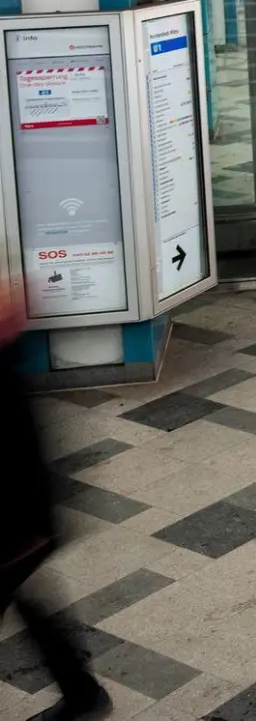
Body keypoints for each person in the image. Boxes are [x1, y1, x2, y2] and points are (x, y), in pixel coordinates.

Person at [0, 285, 113, 721]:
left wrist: (28, 530)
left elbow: (20, 452)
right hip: (23, 524)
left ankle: (83, 694)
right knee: (32, 603)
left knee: (30, 601)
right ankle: (83, 693)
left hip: (16, 525)